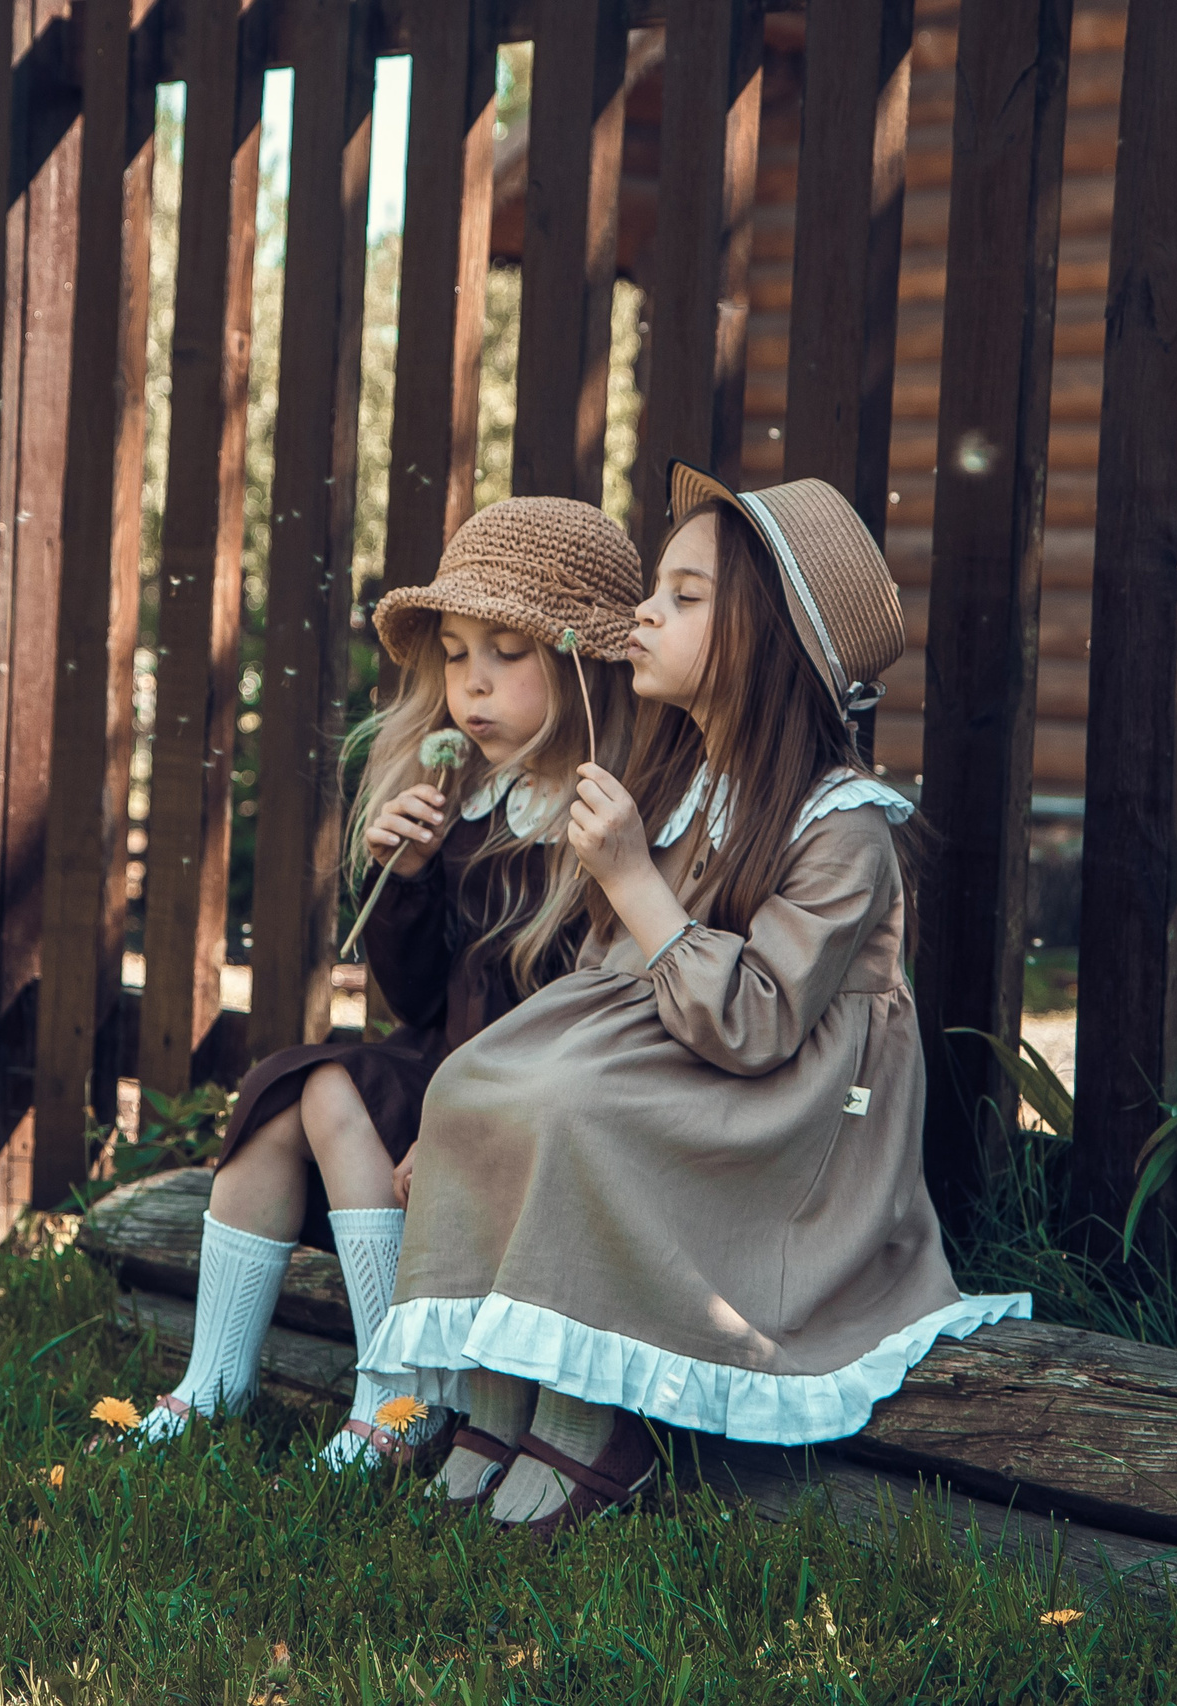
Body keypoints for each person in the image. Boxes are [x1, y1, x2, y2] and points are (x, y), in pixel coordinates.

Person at [363, 463, 1026, 1529]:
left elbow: (759, 1021)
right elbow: (604, 983)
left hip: (783, 1120)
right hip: (684, 1052)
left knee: (578, 1110)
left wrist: (630, 876)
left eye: (681, 596)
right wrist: (488, 1089)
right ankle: (493, 1401)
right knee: (476, 1083)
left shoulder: (844, 826)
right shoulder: (688, 785)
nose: (644, 613)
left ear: (764, 638)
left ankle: (591, 1422)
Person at [130, 498, 639, 1468]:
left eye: (505, 650)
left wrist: (452, 1122)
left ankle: (400, 1391)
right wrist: (403, 881)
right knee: (285, 1082)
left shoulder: (598, 814)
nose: (471, 683)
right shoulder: (467, 801)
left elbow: (591, 1008)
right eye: (453, 653)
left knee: (326, 1084)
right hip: (450, 1055)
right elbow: (416, 997)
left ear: (582, 662)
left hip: (529, 1088)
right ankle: (215, 1378)